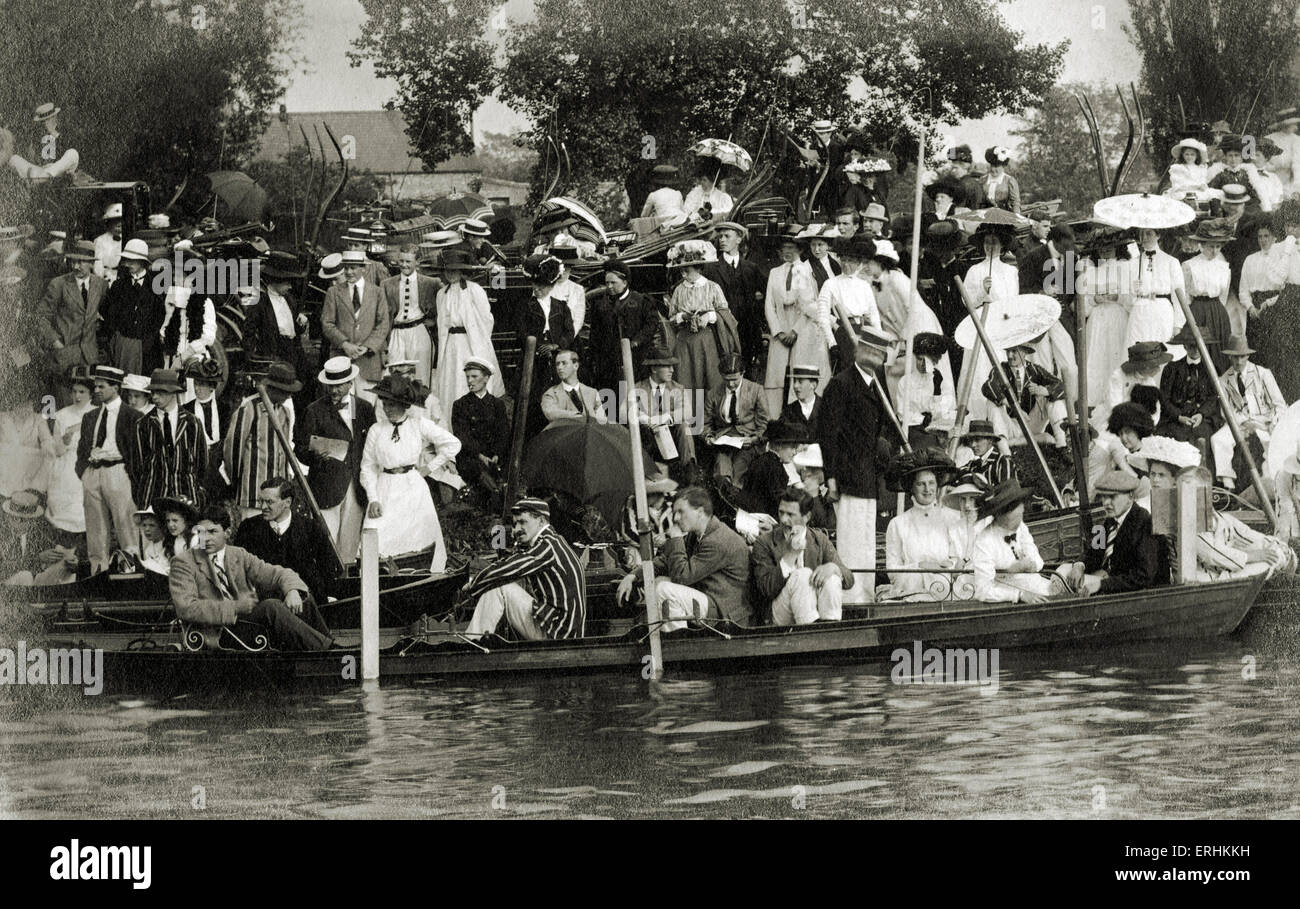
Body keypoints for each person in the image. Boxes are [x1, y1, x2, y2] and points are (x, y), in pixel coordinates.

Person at [169, 504, 333, 651]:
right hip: (217, 632)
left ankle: (329, 646)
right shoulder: (183, 563)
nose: (206, 538)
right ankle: (327, 651)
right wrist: (235, 607)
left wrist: (292, 590)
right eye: (201, 532)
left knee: (303, 599)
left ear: (227, 533)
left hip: (244, 626)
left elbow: (276, 573)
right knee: (271, 607)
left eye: (213, 532)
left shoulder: (238, 554)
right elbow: (187, 608)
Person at [817, 329, 897, 603]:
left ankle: (864, 595)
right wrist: (831, 479)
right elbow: (827, 435)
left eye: (879, 353)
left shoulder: (876, 384)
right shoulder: (841, 384)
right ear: (859, 351)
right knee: (851, 542)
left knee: (866, 540)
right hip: (848, 476)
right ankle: (851, 599)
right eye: (870, 350)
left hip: (869, 477)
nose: (874, 356)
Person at [615, 484, 752, 631]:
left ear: (699, 512)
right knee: (659, 582)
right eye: (674, 512)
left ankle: (677, 641)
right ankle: (667, 636)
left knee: (663, 589)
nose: (675, 518)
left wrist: (676, 538)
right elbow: (665, 561)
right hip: (710, 598)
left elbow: (681, 576)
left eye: (681, 512)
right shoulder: (699, 534)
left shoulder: (717, 540)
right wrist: (632, 576)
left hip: (725, 612)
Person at [360, 373, 461, 570]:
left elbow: (452, 444)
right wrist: (373, 498)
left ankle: (419, 578)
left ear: (403, 405)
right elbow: (368, 466)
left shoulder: (418, 424)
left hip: (413, 488)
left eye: (391, 404)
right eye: (384, 403)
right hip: (385, 487)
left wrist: (429, 468)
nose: (387, 408)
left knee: (417, 538)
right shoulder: (376, 430)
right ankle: (379, 582)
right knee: (375, 535)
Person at [461, 497, 586, 640]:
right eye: (515, 524)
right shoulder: (554, 541)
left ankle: (471, 643)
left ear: (541, 521)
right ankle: (478, 640)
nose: (517, 529)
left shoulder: (547, 546)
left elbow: (509, 568)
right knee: (504, 583)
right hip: (563, 631)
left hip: (557, 636)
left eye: (523, 522)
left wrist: (473, 584)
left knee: (500, 587)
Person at [294, 356, 376, 561]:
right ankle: (326, 584)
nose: (334, 391)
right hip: (326, 485)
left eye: (339, 385)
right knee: (325, 539)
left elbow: (371, 446)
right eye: (330, 386)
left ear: (350, 383)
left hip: (356, 485)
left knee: (350, 541)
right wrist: (316, 456)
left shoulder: (365, 409)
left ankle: (345, 584)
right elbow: (301, 449)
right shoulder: (314, 410)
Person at [751, 487, 853, 625]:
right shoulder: (765, 542)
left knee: (833, 578)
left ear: (807, 517)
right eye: (781, 512)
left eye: (790, 514)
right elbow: (766, 589)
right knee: (803, 575)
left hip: (816, 611)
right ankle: (810, 636)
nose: (783, 519)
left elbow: (849, 579)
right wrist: (790, 555)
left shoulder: (819, 539)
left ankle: (829, 630)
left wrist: (833, 567)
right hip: (780, 613)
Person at [76, 365, 143, 572]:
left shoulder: (133, 416)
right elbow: (81, 450)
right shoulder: (90, 417)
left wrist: (131, 476)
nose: (96, 390)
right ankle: (99, 573)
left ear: (115, 388)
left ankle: (131, 572)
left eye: (102, 386)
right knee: (95, 530)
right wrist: (85, 472)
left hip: (119, 472)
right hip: (93, 473)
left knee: (127, 527)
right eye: (95, 386)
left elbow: (138, 452)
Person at [233, 477, 338, 604]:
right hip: (265, 604)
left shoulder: (310, 528)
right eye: (261, 501)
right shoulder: (249, 528)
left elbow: (327, 567)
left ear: (287, 502)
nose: (263, 507)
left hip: (305, 601)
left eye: (269, 502)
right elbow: (239, 570)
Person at [1063, 471, 1167, 595]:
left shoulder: (1145, 523)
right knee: (1063, 573)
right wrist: (1079, 565)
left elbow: (1144, 576)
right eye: (1103, 496)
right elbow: (1093, 552)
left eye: (1112, 497)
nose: (1106, 503)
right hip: (1113, 586)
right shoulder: (1109, 521)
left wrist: (1102, 585)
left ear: (1131, 496)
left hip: (1140, 597)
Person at [957, 222, 1020, 425]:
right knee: (978, 365)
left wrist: (995, 293)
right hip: (980, 323)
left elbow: (1012, 300)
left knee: (999, 362)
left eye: (994, 242)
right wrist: (982, 291)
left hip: (1000, 323)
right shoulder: (975, 270)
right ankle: (976, 413)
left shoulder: (1011, 272)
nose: (990, 246)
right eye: (986, 242)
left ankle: (1001, 415)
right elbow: (966, 301)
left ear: (1001, 246)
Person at [224, 361, 299, 520]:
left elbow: (284, 453)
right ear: (274, 388)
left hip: (277, 498)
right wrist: (239, 483)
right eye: (286, 391)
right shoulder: (249, 408)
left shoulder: (285, 412)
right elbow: (233, 451)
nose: (289, 395)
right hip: (254, 494)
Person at [666, 239, 741, 393]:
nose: (683, 274)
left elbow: (727, 315)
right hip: (684, 342)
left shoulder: (712, 287)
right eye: (681, 270)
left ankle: (709, 413)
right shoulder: (679, 290)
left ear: (699, 268)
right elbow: (671, 318)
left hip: (707, 341)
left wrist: (710, 316)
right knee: (685, 377)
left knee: (709, 376)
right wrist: (683, 317)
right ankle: (689, 414)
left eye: (687, 270)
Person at [764, 228, 826, 412]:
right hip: (780, 332)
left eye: (792, 247)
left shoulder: (806, 271)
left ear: (800, 250)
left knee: (799, 374)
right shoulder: (775, 272)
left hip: (802, 330)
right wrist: (778, 331)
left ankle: (798, 415)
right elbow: (769, 304)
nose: (787, 252)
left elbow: (810, 305)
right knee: (777, 377)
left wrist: (795, 331)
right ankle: (775, 417)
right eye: (784, 248)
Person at [1213, 335, 1286, 491]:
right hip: (1239, 423)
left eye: (1242, 357)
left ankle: (1271, 482)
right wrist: (1242, 423)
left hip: (1264, 422)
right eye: (1235, 358)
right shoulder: (1224, 380)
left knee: (1269, 442)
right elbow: (1225, 411)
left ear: (1248, 356)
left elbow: (1279, 404)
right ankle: (1228, 485)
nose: (1239, 362)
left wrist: (1273, 422)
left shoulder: (1263, 373)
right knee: (1218, 440)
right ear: (1229, 357)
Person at [882, 457, 961, 599]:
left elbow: (958, 559)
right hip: (910, 592)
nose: (927, 489)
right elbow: (892, 572)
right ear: (911, 487)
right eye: (920, 484)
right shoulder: (898, 524)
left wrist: (951, 565)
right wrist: (921, 565)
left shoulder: (951, 518)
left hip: (947, 592)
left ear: (937, 486)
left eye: (931, 483)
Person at [519, 253, 579, 440]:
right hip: (533, 361)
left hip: (556, 359)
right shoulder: (525, 306)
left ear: (551, 286)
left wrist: (556, 346)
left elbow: (569, 332)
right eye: (534, 286)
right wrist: (537, 347)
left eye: (541, 287)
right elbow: (520, 333)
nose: (536, 290)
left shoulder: (561, 306)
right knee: (534, 399)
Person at [435, 247, 503, 410]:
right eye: (447, 270)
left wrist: (480, 342)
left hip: (469, 343)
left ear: (461, 271)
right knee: (450, 379)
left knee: (467, 377)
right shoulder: (441, 294)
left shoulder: (474, 290)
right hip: (450, 344)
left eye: (454, 270)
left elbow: (487, 319)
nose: (450, 274)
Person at [131, 368, 207, 507]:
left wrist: (196, 490)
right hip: (153, 496)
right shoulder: (143, 424)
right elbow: (137, 466)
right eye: (153, 392)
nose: (154, 397)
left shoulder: (192, 422)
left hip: (186, 495)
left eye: (160, 392)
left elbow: (201, 463)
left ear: (173, 392)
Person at [970, 478, 1055, 603]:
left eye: (1020, 513)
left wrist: (1031, 565)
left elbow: (1038, 561)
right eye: (1013, 519)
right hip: (1013, 600)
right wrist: (1018, 595)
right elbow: (983, 591)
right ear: (999, 514)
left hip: (1038, 587)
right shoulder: (985, 541)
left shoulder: (1021, 527)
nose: (1019, 521)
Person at [588, 258, 667, 389]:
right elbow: (594, 335)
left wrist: (636, 341)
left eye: (613, 283)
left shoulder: (641, 301)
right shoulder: (600, 305)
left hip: (637, 359)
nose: (609, 287)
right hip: (609, 363)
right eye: (607, 283)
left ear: (625, 283)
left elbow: (651, 325)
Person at [322, 249, 391, 394]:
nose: (348, 272)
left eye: (353, 267)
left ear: (364, 268)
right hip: (341, 359)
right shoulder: (333, 292)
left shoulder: (377, 292)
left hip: (369, 361)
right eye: (346, 268)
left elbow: (383, 324)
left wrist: (367, 346)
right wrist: (344, 344)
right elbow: (327, 323)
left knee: (366, 407)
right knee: (343, 406)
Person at [623, 348, 698, 480]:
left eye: (672, 366)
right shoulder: (637, 388)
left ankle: (689, 471)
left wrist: (666, 417)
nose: (672, 370)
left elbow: (687, 412)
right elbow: (625, 412)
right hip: (648, 437)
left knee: (684, 427)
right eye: (667, 366)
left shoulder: (677, 388)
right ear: (654, 369)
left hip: (673, 438)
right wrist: (643, 418)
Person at [1079, 227, 1134, 404]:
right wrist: (1094, 299)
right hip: (1097, 320)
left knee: (1116, 355)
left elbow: (1133, 298)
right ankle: (1094, 401)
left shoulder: (1126, 267)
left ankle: (1118, 400)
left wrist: (1117, 297)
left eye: (1109, 249)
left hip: (1118, 317)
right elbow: (1083, 302)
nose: (1105, 253)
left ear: (1118, 248)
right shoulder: (1090, 270)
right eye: (1101, 249)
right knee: (1096, 356)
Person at [981, 341, 1069, 449]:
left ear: (1024, 352)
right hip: (1010, 426)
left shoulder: (1035, 370)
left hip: (1031, 424)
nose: (1009, 355)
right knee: (991, 403)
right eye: (1007, 351)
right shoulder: (1001, 369)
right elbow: (988, 387)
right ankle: (1005, 450)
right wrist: (1014, 407)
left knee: (1053, 397)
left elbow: (1061, 386)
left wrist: (1044, 390)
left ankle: (1061, 445)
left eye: (1014, 351)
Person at [36, 239, 105, 378]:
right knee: (65, 398)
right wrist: (56, 342)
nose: (75, 266)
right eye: (73, 261)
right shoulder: (58, 284)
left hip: (90, 358)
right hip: (64, 358)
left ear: (91, 263)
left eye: (81, 262)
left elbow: (102, 313)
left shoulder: (101, 285)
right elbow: (40, 317)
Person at [702, 221, 766, 367]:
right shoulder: (710, 268)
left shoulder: (751, 268)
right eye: (720, 236)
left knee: (747, 371)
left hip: (748, 332)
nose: (722, 240)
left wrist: (757, 314)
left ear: (739, 239)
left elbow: (767, 293)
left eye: (727, 236)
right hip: (721, 331)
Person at [100, 238, 164, 375]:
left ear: (142, 262)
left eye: (132, 260)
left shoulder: (156, 286)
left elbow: (160, 316)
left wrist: (147, 340)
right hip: (122, 344)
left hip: (146, 347)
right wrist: (116, 334)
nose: (128, 264)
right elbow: (105, 309)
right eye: (126, 260)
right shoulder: (118, 286)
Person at [703, 353, 769, 482]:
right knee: (722, 468)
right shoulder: (713, 393)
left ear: (743, 373)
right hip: (724, 440)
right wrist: (708, 437)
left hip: (747, 440)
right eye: (727, 380)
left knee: (739, 468)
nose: (731, 384)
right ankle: (724, 491)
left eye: (735, 379)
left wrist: (755, 439)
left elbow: (764, 423)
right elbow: (705, 423)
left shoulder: (756, 390)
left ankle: (734, 493)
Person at [452, 357, 510, 504]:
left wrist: (497, 453)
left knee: (504, 466)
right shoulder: (460, 405)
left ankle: (502, 492)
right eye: (467, 377)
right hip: (472, 455)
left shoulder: (497, 405)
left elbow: (503, 433)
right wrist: (480, 455)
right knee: (476, 469)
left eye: (474, 376)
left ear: (486, 378)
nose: (470, 381)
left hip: (494, 454)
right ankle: (496, 494)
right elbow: (461, 435)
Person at [817, 238, 882, 369]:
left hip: (865, 332)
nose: (846, 264)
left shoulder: (864, 285)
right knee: (849, 371)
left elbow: (873, 315)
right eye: (844, 260)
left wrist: (879, 341)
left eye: (851, 261)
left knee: (870, 371)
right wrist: (832, 343)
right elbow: (822, 316)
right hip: (844, 332)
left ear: (859, 263)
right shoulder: (830, 284)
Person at [1179, 220, 1235, 370]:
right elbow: (1184, 295)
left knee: (1220, 354)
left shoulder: (1224, 267)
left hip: (1218, 313)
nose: (1215, 251)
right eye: (1211, 246)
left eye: (1218, 246)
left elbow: (1223, 295)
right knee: (1200, 351)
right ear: (1201, 244)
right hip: (1197, 311)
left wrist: (1217, 311)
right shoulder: (1189, 265)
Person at [46, 367, 94, 534]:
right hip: (67, 462)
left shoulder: (97, 414)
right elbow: (57, 451)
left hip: (89, 463)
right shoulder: (61, 415)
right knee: (66, 481)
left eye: (82, 391)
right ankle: (63, 533)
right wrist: (65, 442)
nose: (77, 396)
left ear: (91, 394)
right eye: (74, 392)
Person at [1127, 228, 1190, 351]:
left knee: (1162, 350)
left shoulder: (1171, 262)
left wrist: (1178, 324)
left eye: (1149, 233)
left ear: (1158, 235)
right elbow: (1127, 300)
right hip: (1140, 313)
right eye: (1142, 234)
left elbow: (1179, 295)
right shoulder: (1134, 263)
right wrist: (1134, 291)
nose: (1144, 238)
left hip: (1162, 312)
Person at [894, 332, 957, 448]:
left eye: (927, 361)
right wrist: (922, 419)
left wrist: (936, 390)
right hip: (912, 431)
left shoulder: (943, 382)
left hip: (937, 433)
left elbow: (944, 413)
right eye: (919, 359)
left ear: (935, 361)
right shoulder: (905, 381)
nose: (923, 364)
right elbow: (902, 412)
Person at [182, 359, 230, 500]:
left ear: (212, 387)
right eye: (196, 384)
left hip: (219, 461)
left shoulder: (224, 409)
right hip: (197, 460)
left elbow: (228, 437)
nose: (197, 388)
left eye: (202, 384)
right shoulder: (187, 409)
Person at [739, 419, 808, 517]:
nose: (795, 452)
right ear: (779, 446)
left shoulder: (765, 460)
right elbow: (777, 503)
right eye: (792, 447)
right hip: (760, 518)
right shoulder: (773, 467)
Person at [618, 473, 676, 573]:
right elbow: (628, 532)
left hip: (668, 551)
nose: (642, 496)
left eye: (648, 493)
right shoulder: (631, 502)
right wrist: (650, 542)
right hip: (641, 550)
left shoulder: (673, 502)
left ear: (657, 493)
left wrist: (666, 537)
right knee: (633, 553)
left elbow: (681, 530)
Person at [540, 348, 609, 424]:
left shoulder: (593, 392)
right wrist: (580, 417)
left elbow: (602, 421)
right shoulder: (550, 394)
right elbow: (551, 413)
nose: (559, 367)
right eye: (557, 364)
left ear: (575, 366)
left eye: (564, 363)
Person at [956, 419, 1016, 487]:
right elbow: (956, 473)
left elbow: (1009, 493)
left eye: (977, 440)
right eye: (971, 441)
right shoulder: (973, 465)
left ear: (990, 440)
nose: (973, 445)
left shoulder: (1003, 462)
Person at [1164, 138, 1217, 203]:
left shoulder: (1200, 169)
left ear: (1197, 156)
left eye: (1192, 154)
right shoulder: (1178, 168)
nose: (1189, 157)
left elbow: (1203, 182)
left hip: (1199, 193)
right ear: (1182, 155)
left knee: (1214, 195)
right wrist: (1197, 186)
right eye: (1187, 154)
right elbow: (1177, 186)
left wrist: (1203, 185)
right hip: (1182, 193)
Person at [782, 363, 824, 439]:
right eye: (794, 381)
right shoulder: (788, 410)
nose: (795, 386)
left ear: (813, 385)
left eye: (800, 381)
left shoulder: (826, 407)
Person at [154, 495, 197, 560]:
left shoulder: (194, 540)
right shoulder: (172, 540)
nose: (170, 525)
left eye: (175, 520)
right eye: (168, 521)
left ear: (186, 521)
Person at [801, 225, 841, 291]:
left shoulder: (836, 260)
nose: (816, 249)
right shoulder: (806, 266)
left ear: (828, 246)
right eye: (813, 245)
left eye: (820, 244)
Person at [981, 146, 1021, 212]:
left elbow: (1015, 203)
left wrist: (1016, 218)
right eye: (992, 166)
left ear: (1003, 166)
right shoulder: (983, 180)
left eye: (996, 166)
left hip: (1003, 216)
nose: (993, 169)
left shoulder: (1009, 180)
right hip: (984, 215)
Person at [134, 505, 171, 576]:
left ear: (162, 527)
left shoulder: (169, 545)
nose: (147, 529)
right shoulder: (148, 550)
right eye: (144, 525)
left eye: (152, 525)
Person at [92, 203, 123, 283]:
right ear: (109, 222)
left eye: (121, 220)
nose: (119, 224)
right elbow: (97, 264)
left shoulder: (127, 238)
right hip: (107, 278)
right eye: (115, 220)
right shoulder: (100, 240)